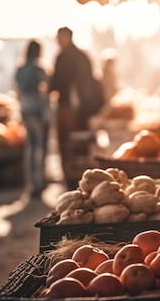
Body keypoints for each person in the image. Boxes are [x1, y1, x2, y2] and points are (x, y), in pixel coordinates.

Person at [49, 27, 98, 188]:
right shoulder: (83, 56)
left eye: (58, 37)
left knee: (65, 145)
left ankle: (69, 180)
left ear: (65, 37)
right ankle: (85, 178)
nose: (57, 41)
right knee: (82, 144)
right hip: (83, 110)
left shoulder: (62, 57)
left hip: (66, 108)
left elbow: (55, 84)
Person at [15, 40, 50, 197]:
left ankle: (30, 181)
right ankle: (38, 181)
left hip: (24, 107)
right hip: (37, 109)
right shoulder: (39, 69)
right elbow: (47, 89)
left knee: (30, 146)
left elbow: (17, 90)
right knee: (40, 146)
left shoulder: (20, 69)